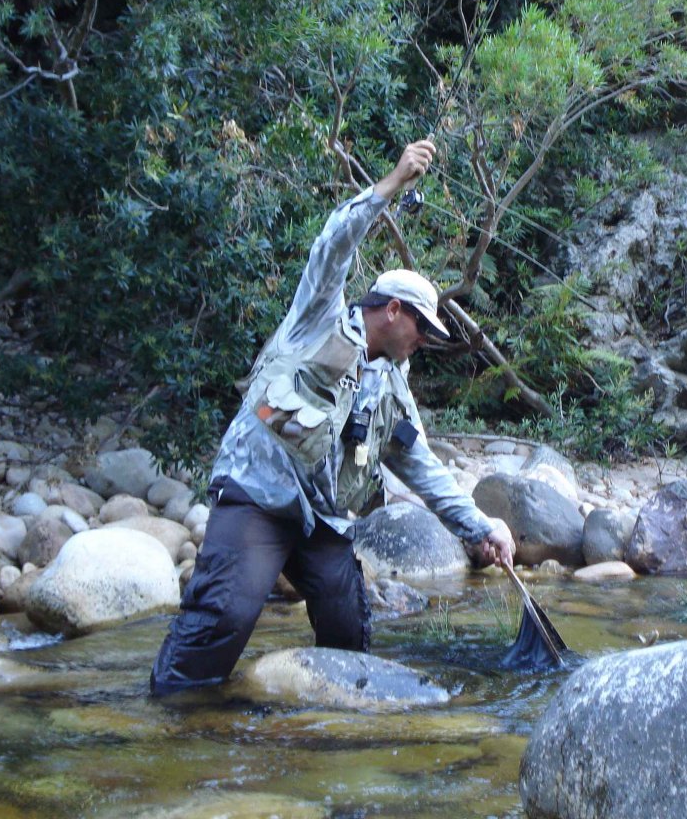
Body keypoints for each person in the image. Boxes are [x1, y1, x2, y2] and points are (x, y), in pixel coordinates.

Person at [150, 139, 515, 695]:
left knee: (349, 632)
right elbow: (333, 244)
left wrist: (481, 528)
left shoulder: (392, 386)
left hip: (320, 519)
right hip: (256, 496)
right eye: (422, 328)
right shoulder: (318, 317)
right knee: (222, 616)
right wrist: (391, 185)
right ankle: (166, 719)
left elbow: (422, 467)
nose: (425, 341)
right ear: (392, 310)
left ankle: (332, 733)